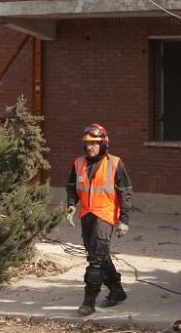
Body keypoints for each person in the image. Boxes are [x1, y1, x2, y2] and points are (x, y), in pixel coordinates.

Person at [65, 123, 133, 316]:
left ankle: (89, 302)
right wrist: (71, 204)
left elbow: (125, 193)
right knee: (99, 255)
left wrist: (124, 220)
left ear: (103, 143)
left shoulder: (115, 163)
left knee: (94, 260)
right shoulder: (78, 163)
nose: (89, 147)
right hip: (86, 215)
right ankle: (117, 291)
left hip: (105, 214)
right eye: (87, 143)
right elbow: (72, 186)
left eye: (94, 143)